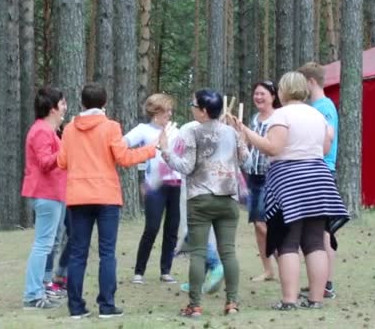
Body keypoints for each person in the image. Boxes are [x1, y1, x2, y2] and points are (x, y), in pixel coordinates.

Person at [232, 72, 349, 310]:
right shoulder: (318, 114)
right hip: (319, 178)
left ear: (283, 92)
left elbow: (273, 148)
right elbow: (326, 147)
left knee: (287, 242)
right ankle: (316, 299)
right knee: (315, 242)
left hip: (290, 180)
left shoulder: (281, 115)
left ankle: (289, 300)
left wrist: (246, 132)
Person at [57, 83, 161, 319]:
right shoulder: (111, 127)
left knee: (77, 252)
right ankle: (106, 305)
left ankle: (75, 306)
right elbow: (124, 158)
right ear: (104, 104)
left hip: (78, 196)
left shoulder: (70, 129)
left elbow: (62, 162)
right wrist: (151, 149)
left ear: (82, 103)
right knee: (107, 252)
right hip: (106, 196)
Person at [161, 89, 249, 317]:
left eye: (193, 105)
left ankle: (195, 305)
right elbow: (245, 160)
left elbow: (186, 167)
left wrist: (166, 152)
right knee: (228, 252)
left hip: (200, 199)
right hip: (228, 199)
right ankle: (232, 303)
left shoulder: (193, 131)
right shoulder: (232, 132)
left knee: (198, 253)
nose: (191, 108)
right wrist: (242, 137)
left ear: (203, 111)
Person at [124, 93, 182, 284]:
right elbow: (124, 145)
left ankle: (166, 270)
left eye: (170, 110)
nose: (170, 113)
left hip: (175, 184)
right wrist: (142, 176)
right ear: (155, 112)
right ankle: (139, 272)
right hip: (154, 186)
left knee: (172, 228)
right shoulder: (143, 130)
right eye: (166, 110)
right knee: (152, 227)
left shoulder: (175, 130)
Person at [21, 87, 68, 310]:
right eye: (62, 104)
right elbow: (45, 162)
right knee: (42, 245)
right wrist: (67, 149)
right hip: (45, 193)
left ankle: (40, 288)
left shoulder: (51, 131)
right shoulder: (41, 131)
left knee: (49, 244)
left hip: (55, 193)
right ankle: (32, 294)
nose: (65, 108)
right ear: (52, 109)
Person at [298, 62, 339, 299]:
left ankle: (327, 284)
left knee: (323, 233)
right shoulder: (317, 106)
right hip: (315, 172)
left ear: (311, 82)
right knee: (316, 232)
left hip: (322, 171)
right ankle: (320, 281)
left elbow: (325, 142)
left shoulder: (323, 107)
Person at [244, 80, 281, 282]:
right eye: (256, 93)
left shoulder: (278, 118)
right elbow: (249, 143)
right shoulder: (254, 118)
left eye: (263, 94)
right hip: (253, 175)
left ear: (273, 96)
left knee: (263, 223)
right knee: (257, 224)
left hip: (271, 176)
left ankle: (283, 263)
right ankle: (268, 269)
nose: (258, 97)